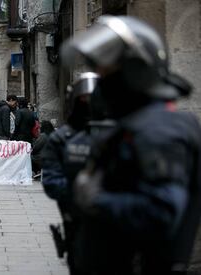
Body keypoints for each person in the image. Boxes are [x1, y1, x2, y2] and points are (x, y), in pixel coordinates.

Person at [60, 15, 201, 275]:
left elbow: (161, 212)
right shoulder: (136, 123)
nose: (101, 83)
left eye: (107, 74)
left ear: (135, 72)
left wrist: (97, 199)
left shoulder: (161, 130)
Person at [41, 72, 100, 275]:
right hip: (76, 217)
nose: (90, 103)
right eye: (85, 99)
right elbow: (51, 181)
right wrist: (81, 192)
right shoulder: (61, 139)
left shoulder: (116, 133)